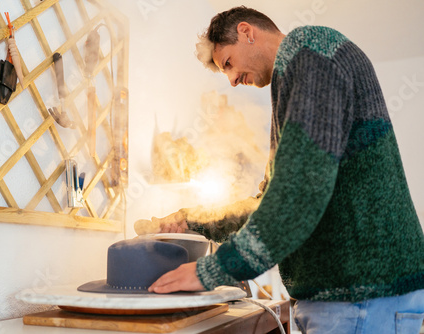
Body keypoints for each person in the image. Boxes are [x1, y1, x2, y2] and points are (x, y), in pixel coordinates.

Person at [146, 6, 424, 334]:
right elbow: (268, 203)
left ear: (247, 32)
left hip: (361, 294)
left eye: (229, 64)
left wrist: (210, 271)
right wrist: (194, 220)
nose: (233, 81)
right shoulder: (294, 82)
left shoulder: (311, 49)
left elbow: (299, 192)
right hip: (351, 297)